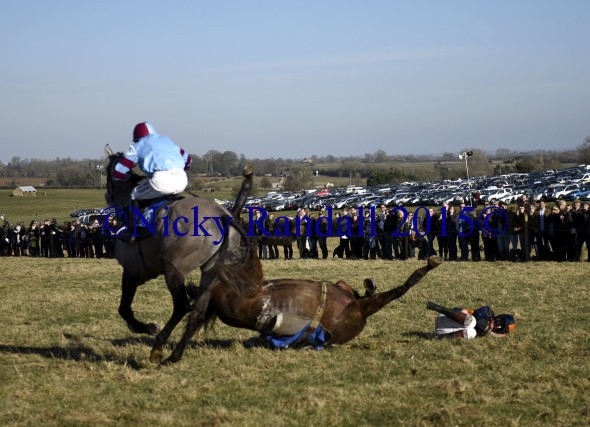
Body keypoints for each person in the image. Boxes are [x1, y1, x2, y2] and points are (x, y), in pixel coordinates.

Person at [113, 122, 192, 241]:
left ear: (137, 137)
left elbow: (119, 171)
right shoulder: (166, 140)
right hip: (182, 178)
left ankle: (132, 231)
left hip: (161, 180)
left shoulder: (138, 145)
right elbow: (188, 160)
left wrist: (126, 178)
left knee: (135, 194)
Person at [427, 301, 515, 339]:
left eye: (499, 328)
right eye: (498, 323)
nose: (495, 326)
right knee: (472, 322)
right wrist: (492, 334)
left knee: (472, 332)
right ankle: (437, 307)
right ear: (497, 317)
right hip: (446, 318)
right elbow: (479, 320)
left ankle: (438, 337)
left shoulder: (484, 335)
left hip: (447, 332)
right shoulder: (487, 312)